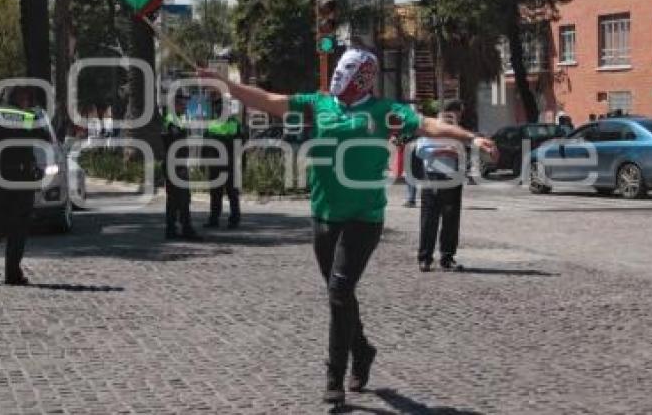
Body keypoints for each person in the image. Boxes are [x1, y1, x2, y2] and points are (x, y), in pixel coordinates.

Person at [196, 48, 497, 404]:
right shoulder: (319, 104)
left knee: (339, 291)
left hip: (364, 217)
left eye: (347, 72)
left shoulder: (384, 111)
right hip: (324, 214)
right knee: (340, 295)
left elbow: (428, 124)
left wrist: (470, 138)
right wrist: (226, 84)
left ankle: (334, 377)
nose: (339, 78)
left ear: (363, 78)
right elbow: (268, 100)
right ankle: (363, 349)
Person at [0, 87, 50, 285]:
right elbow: (46, 139)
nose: (28, 102)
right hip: (22, 177)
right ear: (20, 99)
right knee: (18, 227)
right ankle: (12, 274)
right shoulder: (28, 118)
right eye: (26, 98)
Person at [416, 100, 469, 273]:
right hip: (432, 177)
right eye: (457, 113)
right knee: (429, 220)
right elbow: (420, 150)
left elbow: (464, 150)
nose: (458, 117)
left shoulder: (457, 131)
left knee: (451, 220)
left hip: (452, 177)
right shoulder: (432, 128)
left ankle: (447, 257)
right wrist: (441, 151)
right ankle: (425, 258)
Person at [161, 93, 202, 241]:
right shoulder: (172, 121)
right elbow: (175, 142)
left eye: (185, 104)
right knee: (183, 198)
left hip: (175, 163)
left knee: (174, 199)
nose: (185, 107)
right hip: (175, 164)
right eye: (182, 104)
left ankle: (172, 230)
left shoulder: (175, 120)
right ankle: (186, 229)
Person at [203, 95, 244, 229]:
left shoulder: (229, 125)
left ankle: (228, 219)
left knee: (228, 193)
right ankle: (222, 219)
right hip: (224, 165)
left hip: (224, 165)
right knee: (220, 193)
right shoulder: (229, 125)